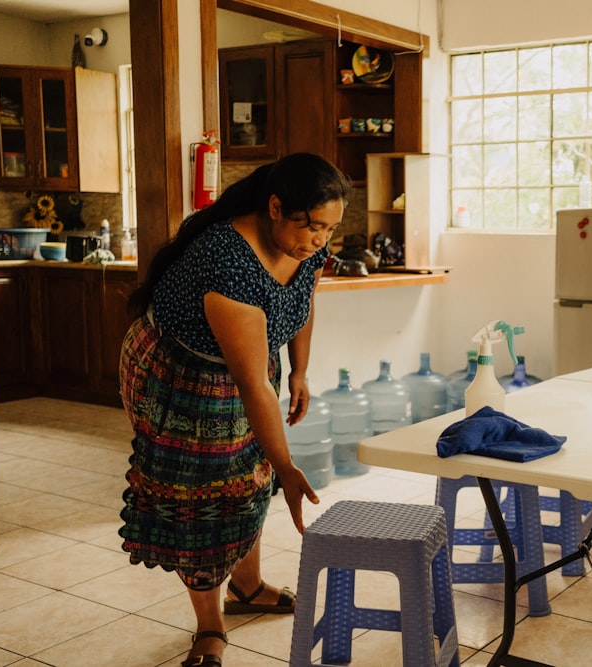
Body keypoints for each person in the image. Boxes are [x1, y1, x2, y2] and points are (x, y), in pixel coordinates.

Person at [118, 152, 351, 667]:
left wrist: (299, 371)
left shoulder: (303, 245)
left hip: (246, 365)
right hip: (180, 373)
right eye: (312, 226)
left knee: (249, 478)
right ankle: (209, 626)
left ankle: (247, 587)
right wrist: (288, 467)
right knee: (200, 495)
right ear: (274, 207)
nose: (319, 240)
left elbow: (301, 303)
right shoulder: (228, 262)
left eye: (329, 230)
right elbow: (250, 385)